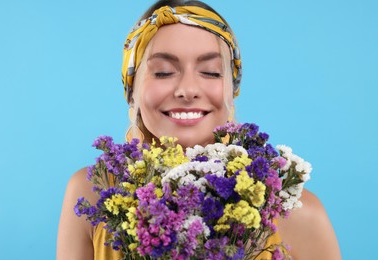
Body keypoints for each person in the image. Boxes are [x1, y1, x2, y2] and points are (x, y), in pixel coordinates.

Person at [57, 0, 341, 259]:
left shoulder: (300, 215)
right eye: (164, 72)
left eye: (210, 72)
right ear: (133, 90)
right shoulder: (93, 193)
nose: (188, 90)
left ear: (232, 88)